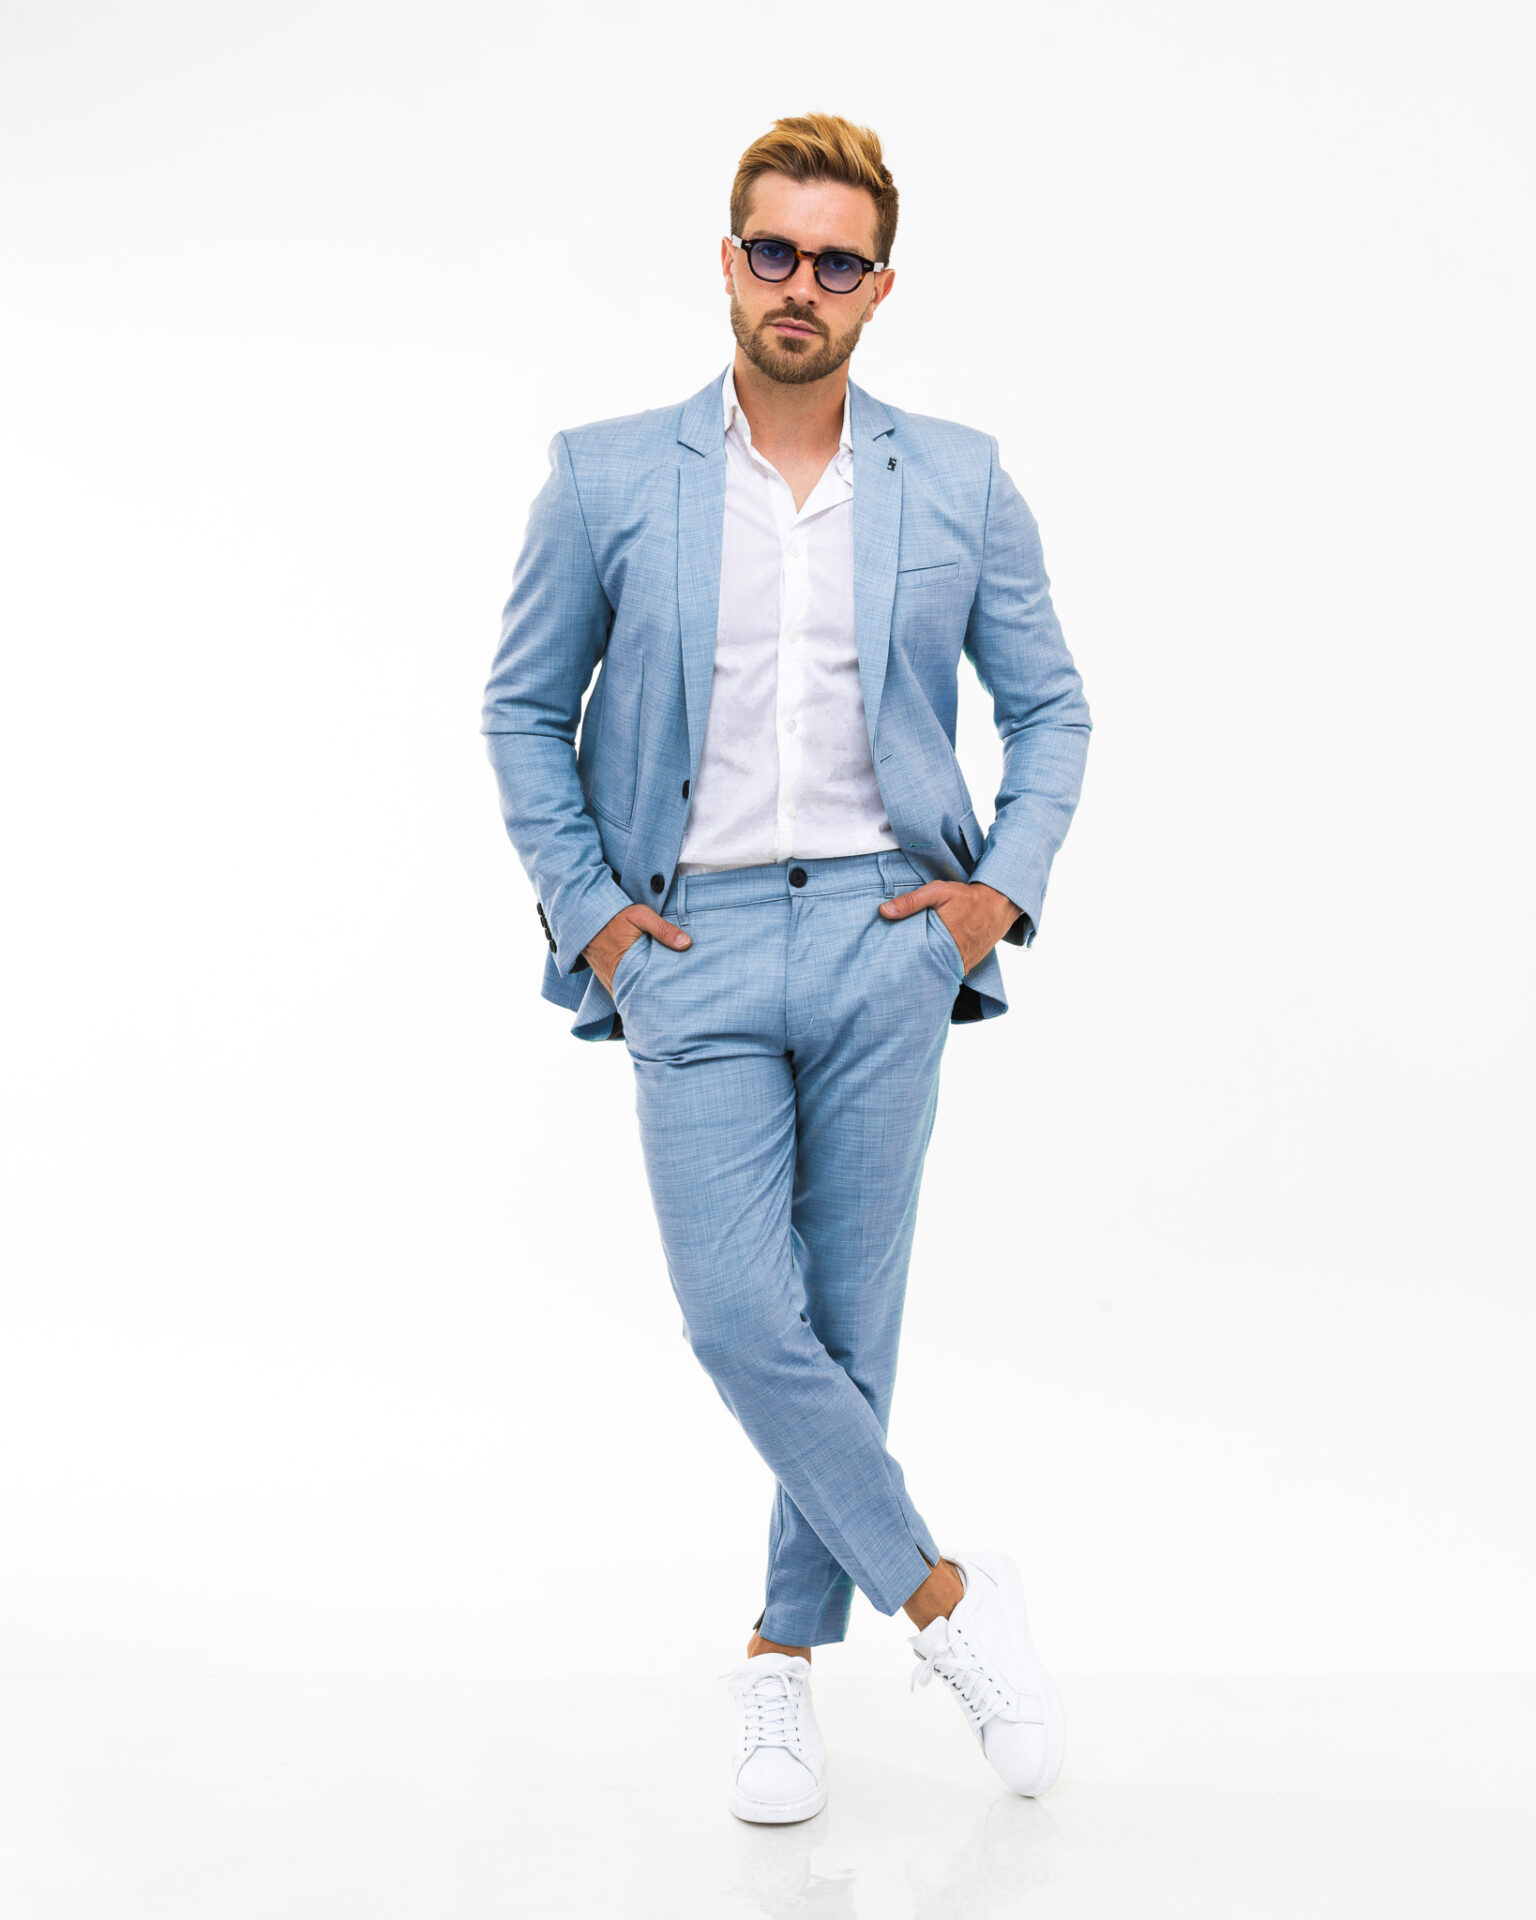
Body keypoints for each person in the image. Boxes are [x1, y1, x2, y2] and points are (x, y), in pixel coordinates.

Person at [480, 111, 1092, 1822]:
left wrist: (994, 897)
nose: (798, 284)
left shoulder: (960, 478)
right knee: (743, 1318)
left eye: (835, 260)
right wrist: (596, 917)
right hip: (692, 942)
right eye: (773, 251)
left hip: (892, 933)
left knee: (847, 1322)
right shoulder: (607, 475)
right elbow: (522, 709)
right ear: (729, 262)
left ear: (879, 287)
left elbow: (1052, 708)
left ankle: (780, 1657)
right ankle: (948, 1605)